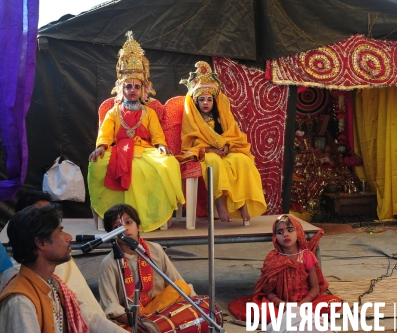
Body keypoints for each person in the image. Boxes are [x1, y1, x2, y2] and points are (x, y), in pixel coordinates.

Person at [88, 32, 185, 232]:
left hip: (145, 150)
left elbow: (158, 135)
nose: (132, 90)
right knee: (97, 166)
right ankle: (107, 214)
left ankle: (161, 215)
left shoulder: (148, 112)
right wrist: (100, 147)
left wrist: (161, 146)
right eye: (128, 86)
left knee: (168, 164)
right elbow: (105, 134)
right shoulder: (114, 112)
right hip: (118, 150)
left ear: (143, 89)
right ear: (121, 89)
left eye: (137, 87)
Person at [0, 204, 127, 333]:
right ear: (41, 243)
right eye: (60, 232)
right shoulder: (20, 301)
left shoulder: (53, 285)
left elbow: (90, 319)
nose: (69, 237)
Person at [179, 61, 267, 225]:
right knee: (214, 163)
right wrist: (210, 149)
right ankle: (220, 204)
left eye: (209, 99)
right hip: (206, 153)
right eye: (202, 99)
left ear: (214, 101)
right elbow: (190, 141)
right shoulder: (192, 118)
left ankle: (242, 203)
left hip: (225, 150)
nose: (206, 103)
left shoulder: (221, 116)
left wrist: (227, 146)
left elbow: (233, 134)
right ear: (196, 102)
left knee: (243, 161)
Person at [0, 190, 104, 316]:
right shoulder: (19, 297)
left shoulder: (54, 280)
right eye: (40, 214)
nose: (69, 237)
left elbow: (86, 316)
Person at [98, 204, 195, 333]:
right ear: (111, 235)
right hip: (131, 319)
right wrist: (133, 321)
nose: (124, 228)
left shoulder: (155, 250)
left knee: (181, 287)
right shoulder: (109, 263)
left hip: (161, 312)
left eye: (128, 222)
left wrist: (197, 305)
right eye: (117, 227)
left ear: (138, 226)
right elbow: (110, 306)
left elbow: (176, 282)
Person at [253, 215, 341, 331]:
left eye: (290, 230)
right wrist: (281, 303)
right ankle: (290, 316)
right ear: (275, 237)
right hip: (280, 306)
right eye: (280, 232)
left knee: (334, 302)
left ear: (298, 231)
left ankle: (292, 316)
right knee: (260, 310)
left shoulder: (307, 256)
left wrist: (301, 305)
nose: (285, 234)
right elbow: (267, 290)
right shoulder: (272, 258)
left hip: (306, 303)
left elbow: (315, 288)